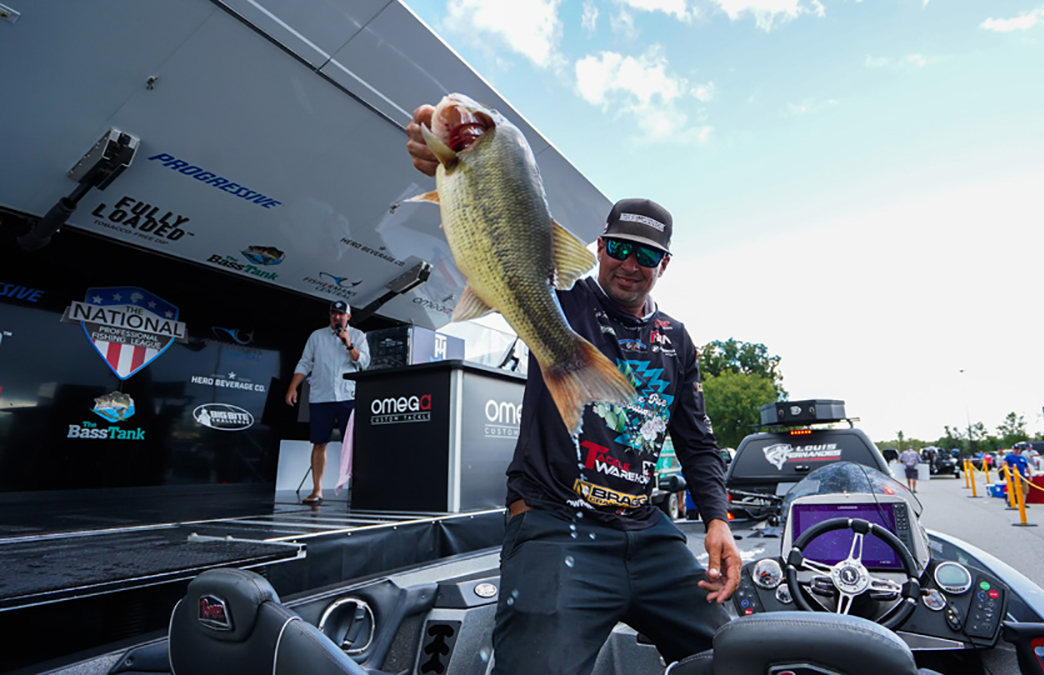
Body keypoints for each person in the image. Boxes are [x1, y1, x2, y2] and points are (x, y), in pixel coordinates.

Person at [405, 106, 739, 675]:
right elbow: (505, 234)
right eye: (620, 248)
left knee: (741, 655)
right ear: (601, 246)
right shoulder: (563, 305)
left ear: (664, 265)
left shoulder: (678, 341)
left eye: (648, 255)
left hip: (649, 530)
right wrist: (442, 159)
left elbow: (698, 443)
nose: (631, 265)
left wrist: (717, 520)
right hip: (555, 527)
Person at [285, 300, 370, 505]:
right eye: (334, 313)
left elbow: (364, 363)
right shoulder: (317, 336)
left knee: (352, 445)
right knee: (319, 442)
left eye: (341, 314)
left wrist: (348, 343)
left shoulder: (358, 335)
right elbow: (305, 362)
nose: (337, 317)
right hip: (321, 397)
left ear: (348, 316)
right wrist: (292, 387)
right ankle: (317, 490)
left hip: (347, 396)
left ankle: (358, 490)